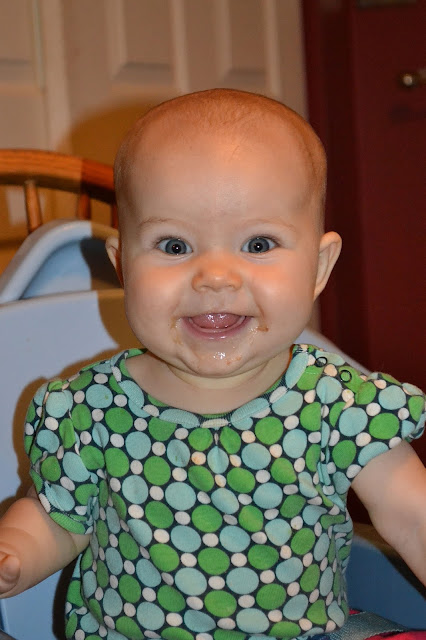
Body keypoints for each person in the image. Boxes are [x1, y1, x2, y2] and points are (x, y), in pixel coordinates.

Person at [0, 89, 425, 640]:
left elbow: (412, 515)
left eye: (258, 243)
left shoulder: (339, 406)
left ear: (318, 267)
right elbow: (59, 520)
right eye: (175, 246)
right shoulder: (91, 409)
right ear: (123, 267)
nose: (215, 277)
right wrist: (15, 552)